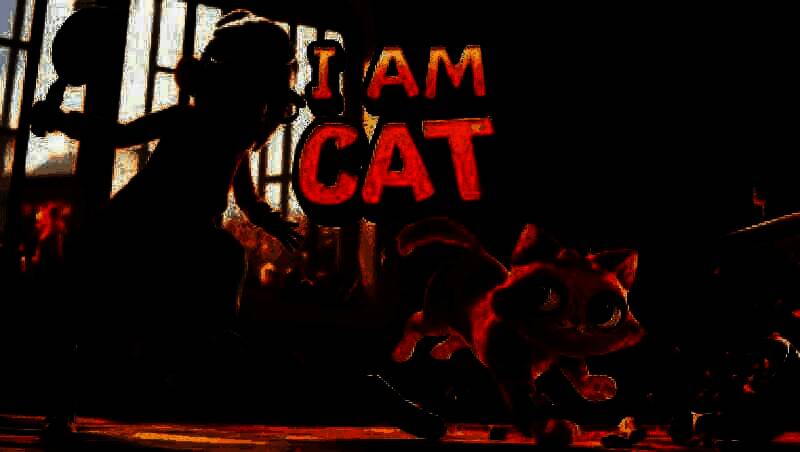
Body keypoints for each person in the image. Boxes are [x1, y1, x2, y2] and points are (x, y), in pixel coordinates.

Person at [30, 9, 302, 436]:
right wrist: (64, 121)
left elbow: (246, 200)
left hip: (166, 232)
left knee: (102, 318)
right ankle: (69, 403)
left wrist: (272, 221)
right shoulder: (207, 127)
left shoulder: (222, 133)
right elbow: (118, 136)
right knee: (95, 318)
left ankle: (80, 400)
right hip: (142, 226)